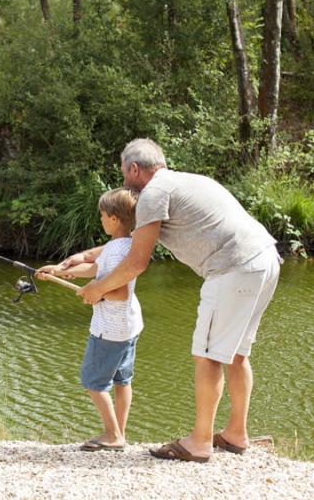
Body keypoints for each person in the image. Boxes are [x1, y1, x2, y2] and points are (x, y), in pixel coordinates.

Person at [67, 138, 280, 463]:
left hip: (231, 268)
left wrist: (97, 289)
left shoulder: (152, 194)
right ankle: (236, 433)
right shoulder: (187, 180)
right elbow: (128, 243)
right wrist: (79, 259)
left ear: (134, 169)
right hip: (265, 259)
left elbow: (137, 262)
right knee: (236, 353)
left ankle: (200, 442)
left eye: (124, 173)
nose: (124, 181)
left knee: (207, 356)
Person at [38, 188, 144, 452]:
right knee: (122, 381)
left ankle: (112, 434)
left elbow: (118, 292)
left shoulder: (116, 251)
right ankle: (119, 432)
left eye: (102, 215)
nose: (100, 219)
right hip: (128, 327)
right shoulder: (127, 246)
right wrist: (61, 270)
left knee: (93, 382)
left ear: (115, 219)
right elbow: (97, 269)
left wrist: (95, 294)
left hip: (109, 330)